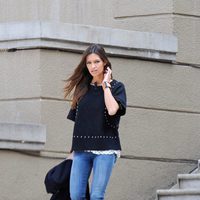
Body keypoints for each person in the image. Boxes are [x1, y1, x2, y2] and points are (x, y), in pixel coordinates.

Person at [64, 44, 127, 200]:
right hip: (81, 150)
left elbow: (113, 110)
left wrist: (106, 85)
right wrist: (72, 151)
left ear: (105, 62)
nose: (93, 66)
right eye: (89, 63)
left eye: (97, 62)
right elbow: (79, 122)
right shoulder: (82, 88)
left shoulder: (117, 87)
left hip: (105, 149)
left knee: (96, 196)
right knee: (76, 195)